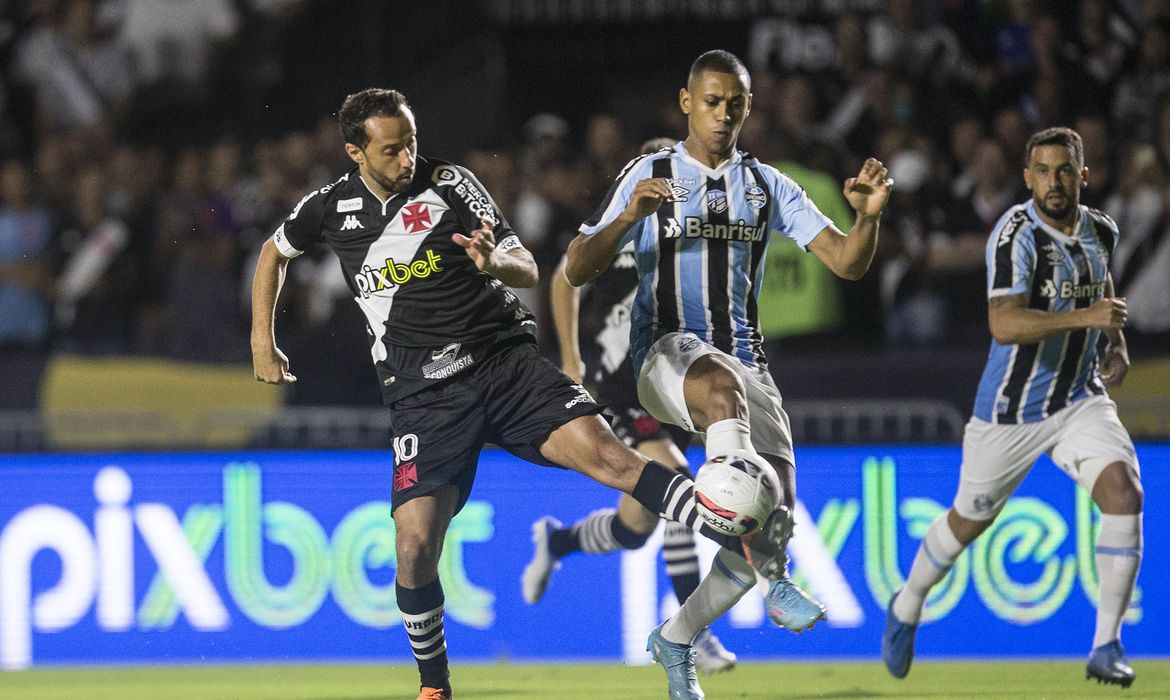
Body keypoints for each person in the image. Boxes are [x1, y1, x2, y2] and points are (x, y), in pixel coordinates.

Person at [250, 88, 801, 700]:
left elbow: (528, 265)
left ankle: (749, 543)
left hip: (504, 367)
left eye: (410, 141)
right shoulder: (329, 209)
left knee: (614, 461)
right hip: (423, 398)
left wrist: (492, 262)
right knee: (413, 548)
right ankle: (435, 686)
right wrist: (262, 343)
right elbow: (273, 254)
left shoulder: (450, 184)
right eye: (391, 149)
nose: (407, 156)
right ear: (356, 152)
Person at [565, 50, 892, 699]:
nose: (722, 114)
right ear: (687, 103)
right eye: (711, 102)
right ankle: (770, 573)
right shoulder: (651, 171)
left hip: (749, 366)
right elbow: (576, 266)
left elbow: (847, 263)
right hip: (665, 354)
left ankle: (677, 639)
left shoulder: (767, 185)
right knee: (721, 398)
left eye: (734, 104)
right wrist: (628, 217)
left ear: (747, 108)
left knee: (768, 518)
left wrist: (870, 216)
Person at [882, 127, 1143, 688]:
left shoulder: (1100, 230)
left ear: (1083, 175)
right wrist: (1087, 320)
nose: (1054, 181)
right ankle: (907, 604)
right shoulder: (1014, 235)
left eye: (1064, 170)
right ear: (1028, 178)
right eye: (1043, 171)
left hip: (1078, 400)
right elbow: (1004, 323)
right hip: (1010, 413)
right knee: (966, 523)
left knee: (1125, 493)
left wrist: (1114, 345)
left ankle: (1106, 645)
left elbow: (1103, 291)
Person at [522, 137, 737, 675]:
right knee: (675, 476)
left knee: (636, 526)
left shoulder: (690, 242)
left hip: (668, 386)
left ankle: (559, 540)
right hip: (617, 385)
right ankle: (695, 636)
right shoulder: (618, 229)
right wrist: (571, 358)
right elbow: (563, 280)